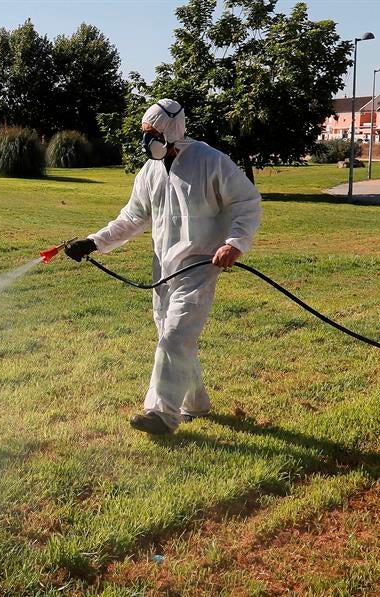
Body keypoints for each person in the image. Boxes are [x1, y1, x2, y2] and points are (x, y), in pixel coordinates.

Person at [65, 98, 262, 435]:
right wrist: (94, 242)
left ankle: (161, 413)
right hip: (164, 266)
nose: (146, 140)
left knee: (174, 335)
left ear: (172, 131)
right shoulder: (150, 171)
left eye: (152, 133)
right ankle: (194, 403)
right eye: (144, 133)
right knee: (173, 335)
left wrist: (234, 243)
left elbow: (247, 202)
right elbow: (132, 218)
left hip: (200, 262)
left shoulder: (210, 161)